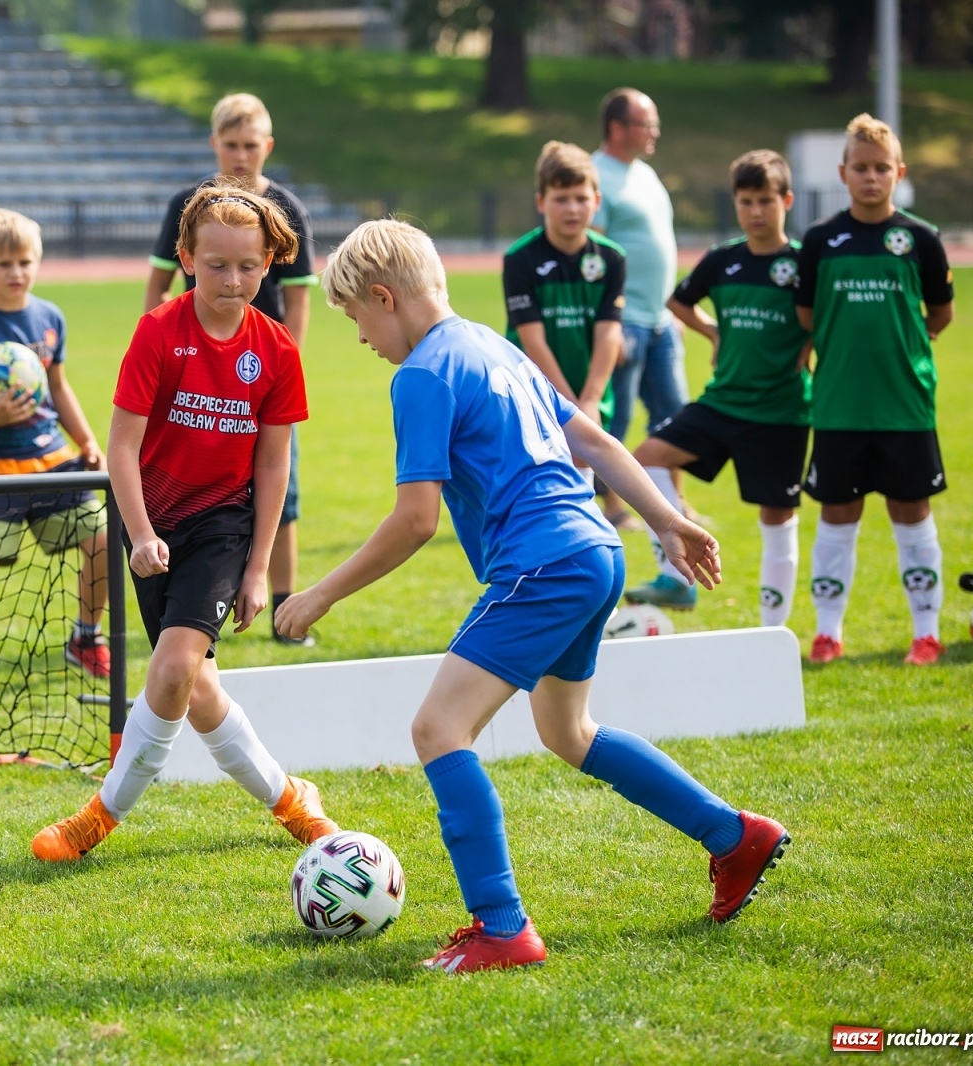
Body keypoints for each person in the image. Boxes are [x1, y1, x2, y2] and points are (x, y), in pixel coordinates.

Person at [276, 220, 789, 973]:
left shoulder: (419, 375)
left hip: (543, 565)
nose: (360, 337)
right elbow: (598, 443)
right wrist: (667, 521)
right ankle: (733, 837)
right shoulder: (490, 343)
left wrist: (319, 593)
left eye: (356, 317)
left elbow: (416, 520)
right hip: (596, 552)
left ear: (384, 297)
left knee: (437, 729)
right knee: (567, 730)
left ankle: (501, 927)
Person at [32, 185, 337, 862]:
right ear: (187, 258)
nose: (233, 280)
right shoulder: (158, 332)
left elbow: (274, 466)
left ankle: (99, 815)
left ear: (269, 266)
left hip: (223, 527)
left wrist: (258, 568)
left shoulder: (278, 350)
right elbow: (119, 447)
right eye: (218, 264)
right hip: (152, 525)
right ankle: (293, 799)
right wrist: (140, 534)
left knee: (172, 667)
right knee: (195, 689)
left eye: (249, 266)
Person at [146, 92, 318, 646]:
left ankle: (285, 610)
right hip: (195, 368)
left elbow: (298, 301)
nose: (241, 156)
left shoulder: (288, 209)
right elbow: (158, 284)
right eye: (231, 145)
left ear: (267, 147)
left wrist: (284, 366)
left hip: (256, 375)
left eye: (251, 146)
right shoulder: (186, 205)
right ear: (215, 145)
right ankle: (181, 594)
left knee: (279, 489)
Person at [795, 114, 956, 666]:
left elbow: (941, 312)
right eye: (860, 168)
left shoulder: (920, 239)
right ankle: (827, 633)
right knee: (837, 517)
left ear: (899, 173)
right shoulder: (820, 240)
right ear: (843, 172)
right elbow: (806, 314)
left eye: (881, 168)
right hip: (838, 404)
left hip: (905, 406)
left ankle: (926, 633)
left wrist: (904, 349)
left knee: (911, 515)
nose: (871, 177)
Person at [625, 150, 811, 620]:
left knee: (777, 517)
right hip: (722, 403)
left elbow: (826, 318)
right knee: (646, 458)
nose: (755, 211)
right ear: (735, 203)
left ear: (786, 200)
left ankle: (774, 627)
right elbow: (678, 300)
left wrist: (811, 346)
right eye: (746, 201)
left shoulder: (805, 264)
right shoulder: (724, 259)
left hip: (780, 411)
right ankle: (674, 576)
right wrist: (713, 331)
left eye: (766, 201)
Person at [0, 209, 110, 695]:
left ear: (39, 262)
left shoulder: (50, 318)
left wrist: (87, 441)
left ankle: (86, 636)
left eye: (25, 261)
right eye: (4, 263)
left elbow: (59, 386)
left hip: (51, 460)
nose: (16, 272)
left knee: (101, 545)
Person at [593, 87, 692, 528]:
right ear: (617, 128)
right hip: (623, 322)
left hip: (659, 321)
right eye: (645, 123)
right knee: (617, 419)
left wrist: (668, 308)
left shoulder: (645, 174)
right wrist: (605, 327)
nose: (654, 132)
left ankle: (675, 506)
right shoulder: (596, 176)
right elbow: (592, 259)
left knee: (676, 420)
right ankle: (611, 509)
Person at [502, 141, 625, 488]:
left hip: (590, 390)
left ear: (596, 202)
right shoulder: (520, 258)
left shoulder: (612, 259)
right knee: (535, 483)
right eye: (561, 199)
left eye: (581, 198)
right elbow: (532, 338)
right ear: (541, 202)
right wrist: (569, 403)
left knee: (583, 470)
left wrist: (590, 399)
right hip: (533, 390)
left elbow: (608, 333)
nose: (572, 208)